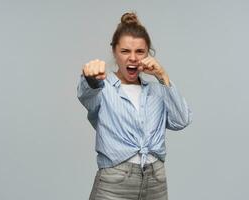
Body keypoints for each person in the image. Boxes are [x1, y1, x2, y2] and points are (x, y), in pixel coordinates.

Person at [77, 12, 192, 200]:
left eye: (139, 52)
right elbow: (86, 93)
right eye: (125, 51)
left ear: (148, 54)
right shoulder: (102, 87)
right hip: (115, 183)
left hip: (156, 181)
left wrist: (163, 76)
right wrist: (89, 77)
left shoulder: (157, 90)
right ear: (114, 51)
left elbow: (182, 120)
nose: (133, 58)